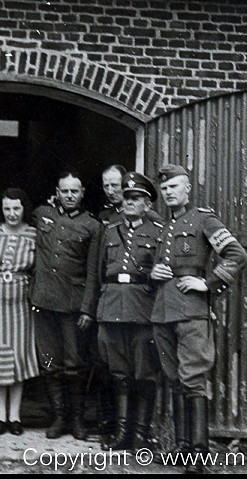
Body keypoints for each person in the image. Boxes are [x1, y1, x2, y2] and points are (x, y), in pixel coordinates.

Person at [150, 164, 247, 472]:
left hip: (191, 311)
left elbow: (237, 255)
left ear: (187, 188)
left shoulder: (204, 219)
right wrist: (154, 273)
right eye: (164, 189)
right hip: (164, 310)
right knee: (175, 379)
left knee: (193, 380)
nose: (168, 192)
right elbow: (160, 267)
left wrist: (207, 284)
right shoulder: (166, 226)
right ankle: (182, 448)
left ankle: (199, 455)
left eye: (174, 187)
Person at [30, 170, 102, 440]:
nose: (69, 195)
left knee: (74, 363)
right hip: (43, 301)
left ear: (82, 193)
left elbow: (93, 272)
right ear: (57, 193)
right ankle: (58, 417)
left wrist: (87, 308)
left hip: (73, 306)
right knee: (49, 363)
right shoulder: (42, 214)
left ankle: (77, 419)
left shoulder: (93, 226)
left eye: (75, 191)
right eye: (65, 191)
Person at [94, 172, 162, 452]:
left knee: (145, 372)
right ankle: (122, 433)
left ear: (147, 204)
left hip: (142, 309)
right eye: (127, 197)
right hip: (111, 308)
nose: (130, 202)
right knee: (118, 371)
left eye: (137, 198)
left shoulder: (158, 233)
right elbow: (99, 272)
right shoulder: (109, 231)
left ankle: (141, 434)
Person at [0, 188, 40, 436]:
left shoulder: (34, 234)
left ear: (24, 208)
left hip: (21, 301)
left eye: (16, 208)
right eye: (7, 209)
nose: (12, 213)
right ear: (1, 210)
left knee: (18, 355)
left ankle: (15, 416)